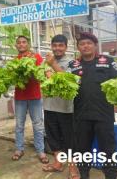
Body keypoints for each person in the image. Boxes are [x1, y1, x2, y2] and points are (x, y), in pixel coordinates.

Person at [47, 32, 117, 179]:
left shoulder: (107, 61)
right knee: (82, 151)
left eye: (89, 43)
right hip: (81, 116)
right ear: (78, 47)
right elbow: (65, 80)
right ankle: (83, 175)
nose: (85, 46)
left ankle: (111, 176)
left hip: (104, 115)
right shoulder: (73, 65)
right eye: (82, 44)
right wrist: (53, 67)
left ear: (95, 45)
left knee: (108, 150)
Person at [43, 35, 79, 179]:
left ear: (66, 47)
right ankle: (58, 163)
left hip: (66, 109)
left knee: (69, 139)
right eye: (55, 45)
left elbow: (71, 81)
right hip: (49, 106)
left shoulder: (72, 63)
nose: (57, 48)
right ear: (51, 46)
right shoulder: (47, 61)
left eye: (60, 45)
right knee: (53, 137)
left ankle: (72, 167)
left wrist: (53, 65)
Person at [11, 35, 48, 164]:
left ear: (28, 44)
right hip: (20, 97)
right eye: (19, 42)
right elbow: (12, 78)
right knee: (19, 125)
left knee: (38, 125)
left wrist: (31, 73)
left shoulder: (36, 57)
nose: (21, 44)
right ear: (16, 46)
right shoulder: (15, 60)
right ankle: (19, 149)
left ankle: (40, 151)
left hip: (34, 96)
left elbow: (41, 74)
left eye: (24, 42)